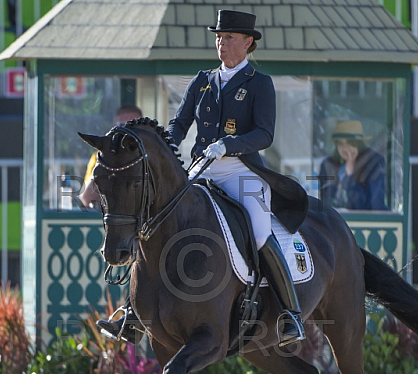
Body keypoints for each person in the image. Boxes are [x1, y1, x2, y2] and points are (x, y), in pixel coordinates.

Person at [98, 9, 309, 348]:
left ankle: (289, 314)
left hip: (242, 172)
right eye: (218, 38)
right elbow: (179, 125)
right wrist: (162, 149)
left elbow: (265, 134)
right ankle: (134, 313)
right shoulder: (202, 80)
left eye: (228, 38)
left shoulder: (259, 83)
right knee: (156, 223)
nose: (221, 44)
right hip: (201, 170)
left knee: (258, 231)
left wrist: (229, 145)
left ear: (248, 42)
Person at [79, 105, 144, 209]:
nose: (128, 132)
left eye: (133, 127)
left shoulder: (151, 154)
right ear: (113, 128)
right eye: (122, 126)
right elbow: (87, 199)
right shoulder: (99, 156)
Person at [319, 120, 387, 211]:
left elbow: (371, 206)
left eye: (351, 143)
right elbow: (325, 202)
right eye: (340, 143)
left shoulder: (373, 163)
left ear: (359, 144)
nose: (345, 148)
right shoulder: (328, 165)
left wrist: (350, 176)